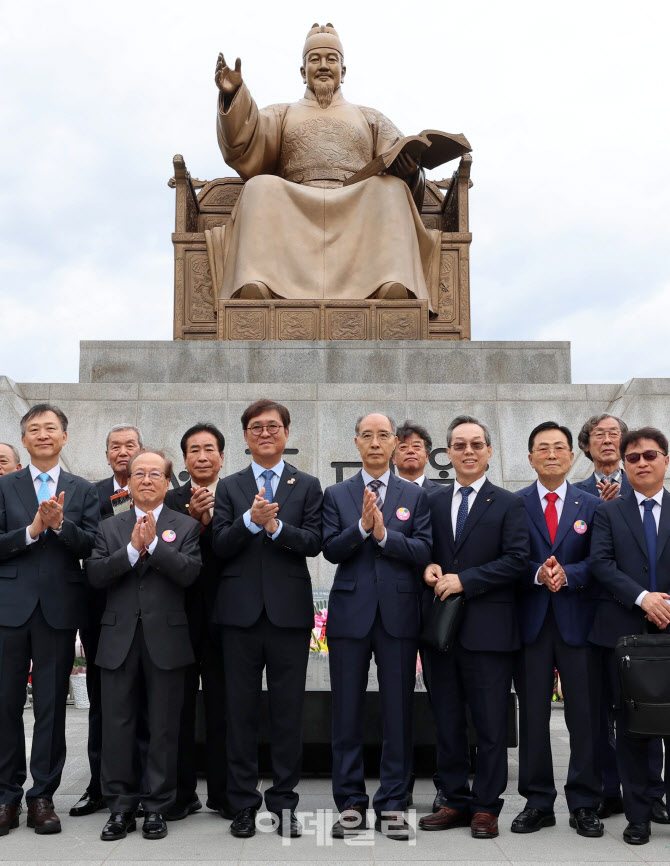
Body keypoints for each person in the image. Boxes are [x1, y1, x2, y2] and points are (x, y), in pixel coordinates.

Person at [212, 24, 453, 305]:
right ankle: (258, 281)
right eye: (315, 59)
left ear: (343, 71)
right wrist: (234, 94)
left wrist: (410, 170)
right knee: (259, 187)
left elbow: (395, 155)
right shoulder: (283, 113)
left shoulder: (370, 117)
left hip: (355, 200)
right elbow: (246, 137)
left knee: (391, 190)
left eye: (331, 59)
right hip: (297, 200)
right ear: (303, 71)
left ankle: (390, 282)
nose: (323, 66)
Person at [211, 400, 323, 839]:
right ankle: (242, 803)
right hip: (238, 616)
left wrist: (275, 529)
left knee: (287, 713)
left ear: (286, 433)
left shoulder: (307, 485)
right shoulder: (231, 486)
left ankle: (284, 803)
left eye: (272, 426)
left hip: (288, 616)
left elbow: (314, 541)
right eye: (256, 427)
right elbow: (220, 543)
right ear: (245, 437)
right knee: (239, 713)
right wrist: (250, 522)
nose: (264, 433)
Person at [322, 413, 432, 842]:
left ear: (394, 442)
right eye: (366, 436)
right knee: (345, 711)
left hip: (399, 615)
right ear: (356, 443)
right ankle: (349, 802)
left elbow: (424, 549)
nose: (374, 443)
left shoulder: (415, 495)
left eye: (382, 436)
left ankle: (392, 803)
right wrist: (362, 528)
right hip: (351, 613)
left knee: (398, 712)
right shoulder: (337, 494)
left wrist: (385, 536)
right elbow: (330, 549)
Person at [418, 415, 528, 839]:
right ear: (447, 453)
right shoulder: (432, 501)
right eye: (459, 445)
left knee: (489, 725)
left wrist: (466, 580)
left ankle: (486, 807)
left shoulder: (508, 503)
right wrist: (427, 566)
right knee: (446, 721)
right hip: (442, 633)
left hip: (489, 631)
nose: (468, 451)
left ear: (489, 451)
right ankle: (453, 800)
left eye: (476, 444)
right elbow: (422, 549)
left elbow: (518, 560)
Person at [87, 450, 201, 842]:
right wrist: (133, 550)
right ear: (129, 482)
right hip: (118, 639)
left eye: (156, 473)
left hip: (166, 640)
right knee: (117, 726)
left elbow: (189, 574)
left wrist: (154, 548)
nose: (147, 479)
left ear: (168, 482)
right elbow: (97, 574)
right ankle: (120, 808)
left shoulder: (185, 526)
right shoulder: (109, 527)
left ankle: (157, 807)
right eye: (140, 474)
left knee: (164, 727)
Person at [0, 404, 99, 836]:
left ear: (64, 437)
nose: (43, 435)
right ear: (24, 440)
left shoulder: (82, 489)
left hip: (58, 610)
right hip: (9, 608)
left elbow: (93, 545)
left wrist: (60, 526)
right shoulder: (6, 487)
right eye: (34, 429)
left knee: (50, 708)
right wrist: (33, 530)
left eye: (51, 428)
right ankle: (6, 796)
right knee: (4, 706)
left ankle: (43, 796)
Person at [512, 422, 603, 836]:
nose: (551, 454)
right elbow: (509, 558)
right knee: (532, 716)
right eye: (542, 448)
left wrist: (570, 573)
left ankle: (584, 802)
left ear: (571, 456)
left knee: (584, 717)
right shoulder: (514, 504)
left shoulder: (593, 505)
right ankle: (537, 801)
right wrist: (537, 573)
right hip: (530, 624)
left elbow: (602, 560)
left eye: (559, 448)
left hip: (577, 623)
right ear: (530, 457)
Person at [575, 414, 667, 823]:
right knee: (618, 718)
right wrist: (642, 597)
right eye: (601, 434)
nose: (641, 462)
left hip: (663, 624)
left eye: (650, 455)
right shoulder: (593, 503)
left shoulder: (647, 491)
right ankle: (621, 799)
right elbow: (597, 562)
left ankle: (653, 796)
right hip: (612, 625)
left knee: (659, 717)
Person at [70, 424, 145, 819]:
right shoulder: (91, 494)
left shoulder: (157, 487)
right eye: (115, 447)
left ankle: (152, 784)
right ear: (107, 455)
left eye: (129, 445)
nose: (122, 452)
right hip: (102, 609)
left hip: (151, 609)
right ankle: (98, 784)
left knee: (148, 698)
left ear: (141, 449)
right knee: (102, 700)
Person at [164, 423, 231, 820]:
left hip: (226, 618)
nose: (202, 456)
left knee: (224, 709)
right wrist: (190, 520)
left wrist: (209, 524)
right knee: (179, 709)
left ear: (222, 456)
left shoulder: (238, 496)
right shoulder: (169, 499)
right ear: (185, 459)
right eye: (194, 450)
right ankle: (180, 793)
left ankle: (223, 794)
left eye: (209, 449)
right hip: (179, 618)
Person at [393, 421, 441, 491]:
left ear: (427, 456)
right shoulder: (384, 493)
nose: (410, 451)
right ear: (393, 458)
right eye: (403, 447)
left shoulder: (442, 493)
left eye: (416, 446)